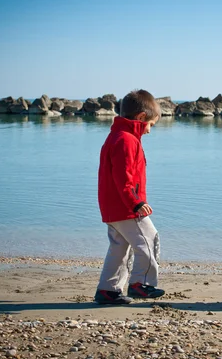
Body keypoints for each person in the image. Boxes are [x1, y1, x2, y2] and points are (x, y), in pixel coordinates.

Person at [94, 89, 165, 305]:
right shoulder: (126, 140)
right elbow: (122, 177)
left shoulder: (118, 136)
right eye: (150, 125)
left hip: (113, 207)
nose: (149, 131)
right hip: (126, 206)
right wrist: (137, 202)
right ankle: (140, 284)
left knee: (119, 248)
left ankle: (108, 290)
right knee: (149, 238)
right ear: (141, 117)